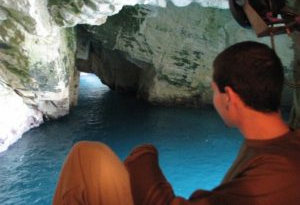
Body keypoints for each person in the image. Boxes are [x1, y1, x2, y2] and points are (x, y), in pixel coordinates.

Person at [52, 41, 300, 205]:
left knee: (84, 160)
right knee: (89, 154)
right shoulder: (282, 145)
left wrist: (143, 156)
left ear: (229, 97)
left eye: (214, 91)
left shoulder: (277, 175)